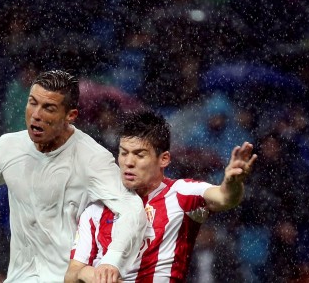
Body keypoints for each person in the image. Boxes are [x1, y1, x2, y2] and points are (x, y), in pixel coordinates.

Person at [0, 70, 146, 282]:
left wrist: (111, 260)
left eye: (49, 108)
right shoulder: (8, 147)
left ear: (70, 115)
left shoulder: (92, 158)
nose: (36, 114)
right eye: (32, 103)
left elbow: (132, 208)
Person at [64, 109, 257, 282]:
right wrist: (92, 274)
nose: (128, 162)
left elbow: (225, 197)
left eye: (139, 155)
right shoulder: (96, 210)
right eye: (124, 153)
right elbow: (72, 275)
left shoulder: (181, 194)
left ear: (163, 159)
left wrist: (232, 183)